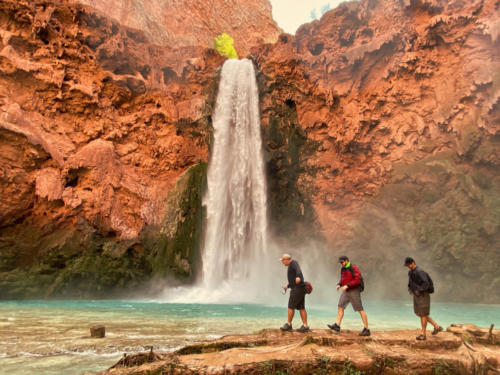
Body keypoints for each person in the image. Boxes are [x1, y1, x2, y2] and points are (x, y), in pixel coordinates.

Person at [328, 255, 370, 336]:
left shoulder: (353, 268)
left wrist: (348, 285)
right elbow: (342, 279)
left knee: (360, 309)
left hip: (354, 290)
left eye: (342, 262)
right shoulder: (343, 269)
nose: (341, 264)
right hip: (346, 291)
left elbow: (357, 279)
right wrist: (339, 284)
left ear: (346, 260)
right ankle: (337, 325)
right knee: (340, 306)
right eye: (340, 262)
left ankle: (366, 329)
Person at [404, 257, 443, 340]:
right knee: (418, 313)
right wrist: (411, 290)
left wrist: (419, 290)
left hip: (423, 295)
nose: (408, 266)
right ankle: (436, 326)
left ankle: (423, 334)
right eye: (407, 265)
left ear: (413, 263)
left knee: (423, 314)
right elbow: (410, 283)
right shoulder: (411, 272)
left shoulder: (419, 271)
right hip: (417, 294)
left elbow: (426, 283)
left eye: (409, 264)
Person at [279, 253, 309, 333]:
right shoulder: (291, 265)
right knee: (301, 307)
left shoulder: (293, 263)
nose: (282, 262)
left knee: (291, 306)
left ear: (286, 260)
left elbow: (298, 271)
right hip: (300, 288)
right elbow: (293, 280)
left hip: (297, 289)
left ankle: (288, 325)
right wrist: (287, 286)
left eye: (283, 261)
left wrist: (299, 277)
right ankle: (305, 326)